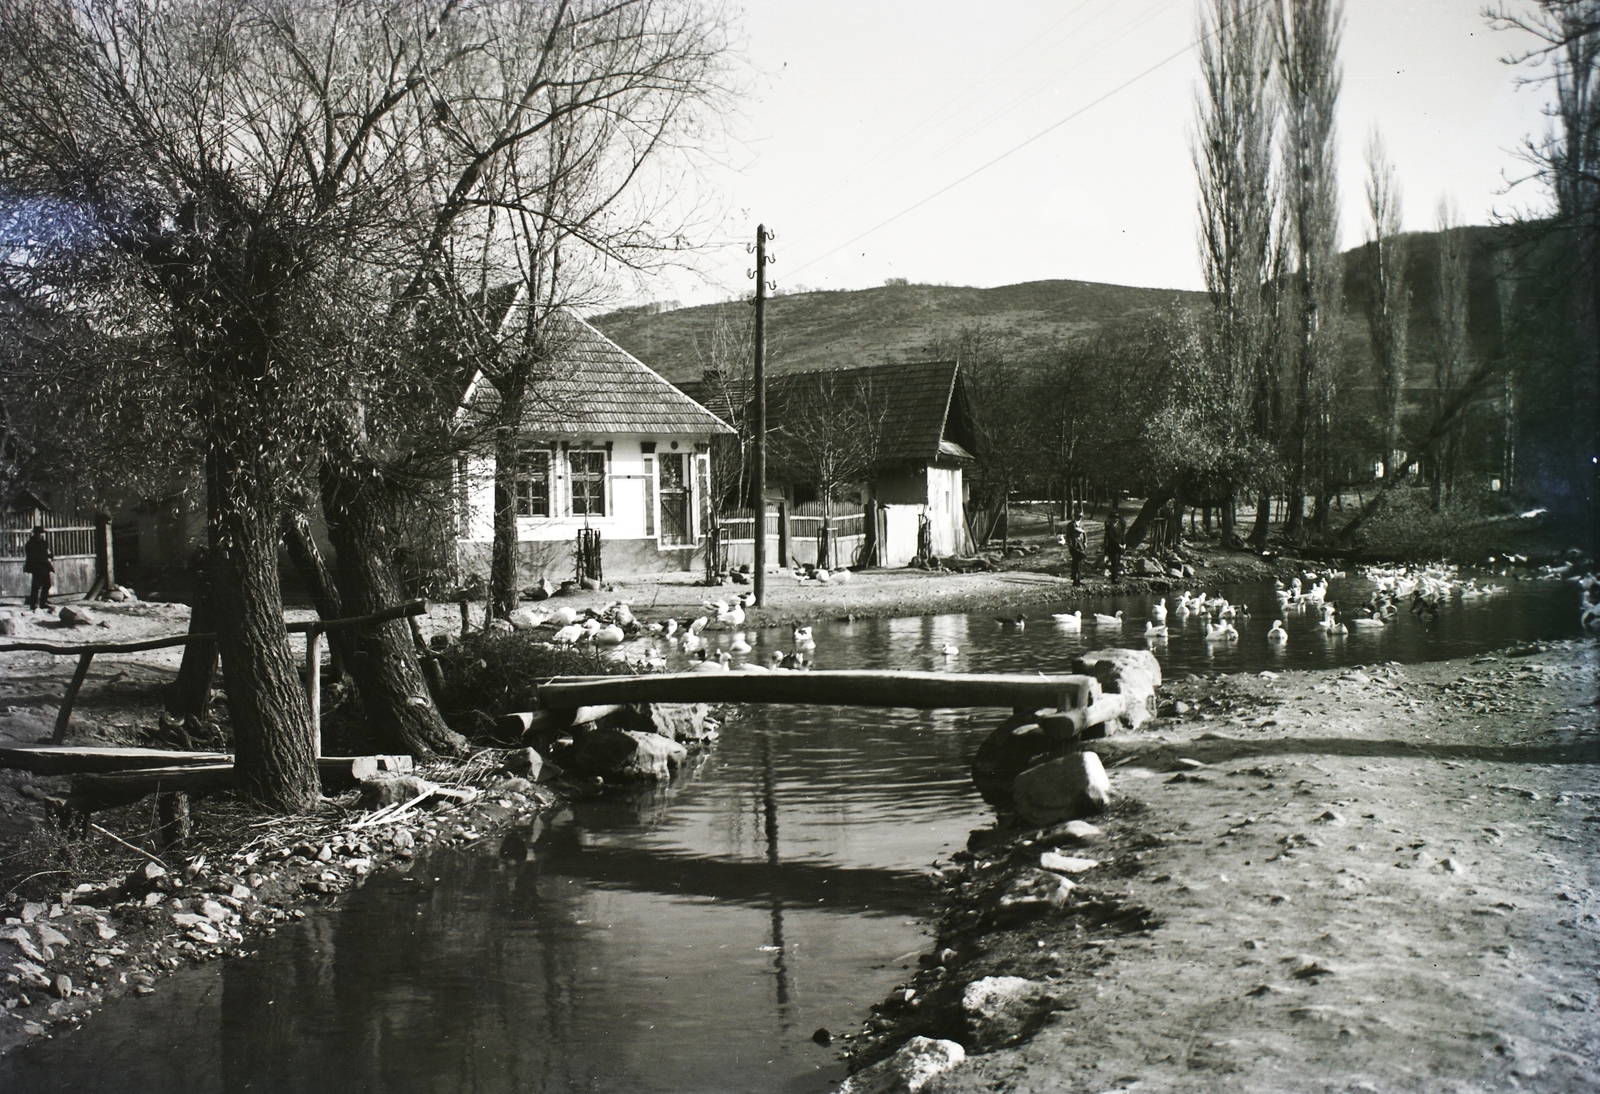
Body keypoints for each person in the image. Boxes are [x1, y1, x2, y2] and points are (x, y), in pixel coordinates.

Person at [23, 525, 54, 610]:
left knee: (47, 584)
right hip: (36, 567)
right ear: (34, 533)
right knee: (36, 586)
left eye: (41, 533)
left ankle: (43, 602)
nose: (40, 535)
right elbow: (32, 556)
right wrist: (45, 556)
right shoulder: (30, 544)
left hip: (44, 566)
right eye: (38, 533)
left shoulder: (44, 543)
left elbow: (45, 552)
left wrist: (49, 555)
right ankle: (33, 604)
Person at [1104, 514, 1126, 585]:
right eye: (1114, 518)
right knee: (1114, 563)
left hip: (1119, 548)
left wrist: (1124, 543)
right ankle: (1114, 579)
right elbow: (1111, 538)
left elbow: (1122, 536)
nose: (1116, 519)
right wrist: (1118, 544)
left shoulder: (1119, 527)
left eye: (1117, 518)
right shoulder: (1109, 527)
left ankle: (1116, 577)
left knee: (1117, 563)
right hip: (1113, 547)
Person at [1066, 518, 1087, 585]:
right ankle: (1075, 581)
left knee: (1079, 568)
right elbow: (1074, 548)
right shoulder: (1075, 540)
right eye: (1079, 533)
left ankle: (1078, 580)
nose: (1080, 535)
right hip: (1077, 556)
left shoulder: (1078, 540)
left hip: (1079, 556)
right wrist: (1080, 552)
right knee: (1076, 568)